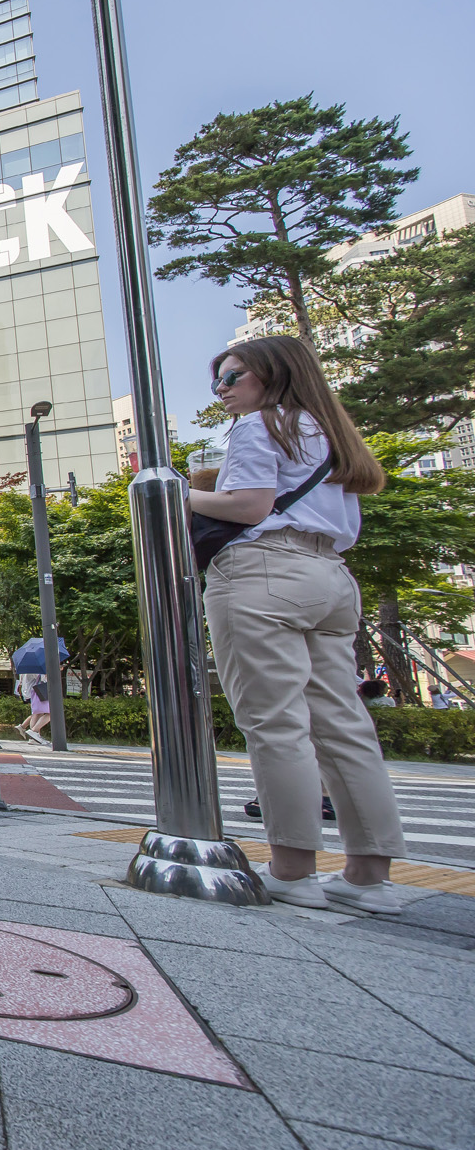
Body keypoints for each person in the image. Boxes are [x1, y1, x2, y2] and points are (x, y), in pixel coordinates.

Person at [189, 333, 406, 915]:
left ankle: (293, 870)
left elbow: (250, 507)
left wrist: (183, 495)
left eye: (232, 376)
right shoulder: (331, 433)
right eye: (217, 379)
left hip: (264, 572)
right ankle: (369, 877)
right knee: (344, 725)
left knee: (276, 724)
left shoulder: (260, 425)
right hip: (331, 576)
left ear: (274, 373)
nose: (220, 389)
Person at [14, 670, 51, 744]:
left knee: (37, 713)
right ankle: (34, 733)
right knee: (48, 713)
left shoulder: (26, 668)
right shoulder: (35, 668)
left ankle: (34, 736)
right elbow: (42, 678)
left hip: (30, 692)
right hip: (38, 692)